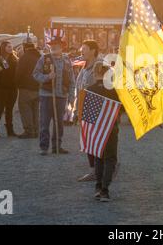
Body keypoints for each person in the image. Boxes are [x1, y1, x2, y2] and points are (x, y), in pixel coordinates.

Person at [33, 35, 75, 155]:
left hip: (61, 96)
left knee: (59, 123)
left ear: (62, 47)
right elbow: (35, 74)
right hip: (47, 95)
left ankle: (57, 146)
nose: (54, 47)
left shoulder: (67, 60)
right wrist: (47, 77)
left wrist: (71, 97)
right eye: (52, 45)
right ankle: (44, 147)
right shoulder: (44, 58)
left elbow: (72, 80)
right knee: (44, 122)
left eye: (57, 45)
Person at [86, 62, 121, 202]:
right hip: (111, 127)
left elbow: (88, 113)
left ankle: (98, 186)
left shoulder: (90, 89)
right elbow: (121, 109)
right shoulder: (114, 89)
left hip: (96, 128)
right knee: (110, 158)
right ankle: (105, 190)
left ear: (95, 74)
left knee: (99, 158)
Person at [75, 40, 103, 182]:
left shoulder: (99, 65)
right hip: (84, 107)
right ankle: (94, 169)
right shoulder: (84, 65)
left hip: (96, 106)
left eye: (84, 48)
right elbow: (79, 87)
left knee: (96, 139)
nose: (81, 51)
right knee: (88, 140)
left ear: (93, 50)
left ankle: (104, 168)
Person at [0, 41, 19, 138]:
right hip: (1, 88)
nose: (11, 48)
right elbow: (0, 72)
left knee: (9, 110)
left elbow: (9, 71)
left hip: (12, 88)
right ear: (3, 48)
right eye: (8, 46)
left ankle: (10, 131)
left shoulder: (14, 58)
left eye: (11, 46)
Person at [15, 42, 41, 139]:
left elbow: (19, 73)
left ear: (25, 48)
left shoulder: (24, 57)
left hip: (26, 87)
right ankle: (36, 130)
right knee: (35, 110)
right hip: (38, 88)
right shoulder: (39, 57)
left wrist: (17, 84)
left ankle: (29, 131)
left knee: (25, 109)